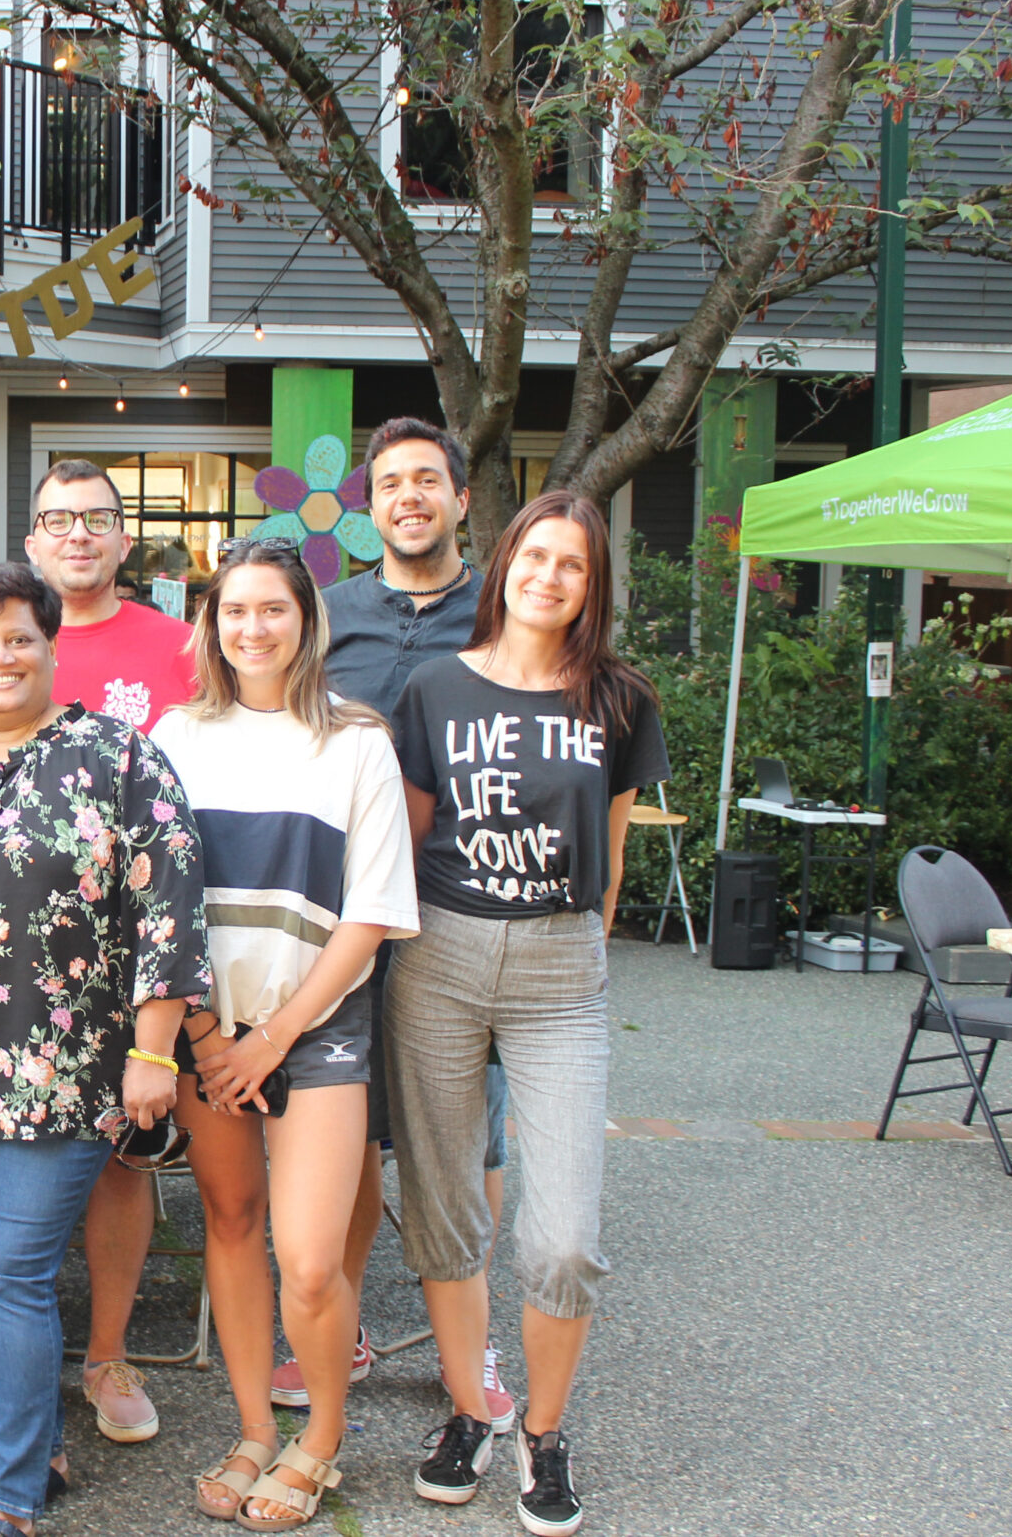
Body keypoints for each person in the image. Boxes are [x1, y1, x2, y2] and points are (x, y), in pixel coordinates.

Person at [387, 490, 668, 1537]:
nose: (549, 576)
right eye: (536, 555)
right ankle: (468, 1412)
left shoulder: (619, 699)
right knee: (446, 1209)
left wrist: (579, 951)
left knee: (561, 1240)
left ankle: (543, 1435)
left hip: (560, 967)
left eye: (574, 565)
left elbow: (614, 853)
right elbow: (406, 847)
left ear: (592, 586)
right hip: (439, 956)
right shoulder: (432, 689)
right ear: (503, 561)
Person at [0, 564, 206, 1537]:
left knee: (10, 1268)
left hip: (75, 1065)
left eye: (17, 637)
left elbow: (170, 904)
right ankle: (38, 1450)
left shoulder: (116, 756)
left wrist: (153, 1052)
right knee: (9, 1270)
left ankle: (8, 1497)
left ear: (49, 646)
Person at [152, 541, 418, 1531]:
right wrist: (207, 1031)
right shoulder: (176, 737)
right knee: (228, 1221)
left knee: (309, 1257)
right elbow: (156, 899)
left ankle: (322, 1439)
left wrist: (269, 1038)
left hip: (314, 1029)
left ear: (307, 622)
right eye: (233, 612)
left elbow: (371, 914)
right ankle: (257, 1428)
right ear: (210, 626)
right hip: (204, 1030)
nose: (252, 629)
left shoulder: (355, 742)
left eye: (272, 610)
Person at [0, 458, 195, 1447]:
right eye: (57, 518)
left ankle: (104, 1355)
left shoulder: (180, 645)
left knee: (116, 1169)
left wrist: (164, 1023)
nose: (78, 536)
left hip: (130, 975)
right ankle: (22, 1358)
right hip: (11, 997)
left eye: (97, 519)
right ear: (31, 539)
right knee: (14, 1199)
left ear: (121, 535)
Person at [317, 417, 516, 1428]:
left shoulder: (504, 609)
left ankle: (467, 1356)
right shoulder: (330, 613)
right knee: (345, 1134)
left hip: (464, 908)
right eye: (390, 482)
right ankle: (338, 1329)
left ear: (459, 499)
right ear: (370, 503)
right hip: (344, 910)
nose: (408, 497)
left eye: (425, 481)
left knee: (458, 1143)